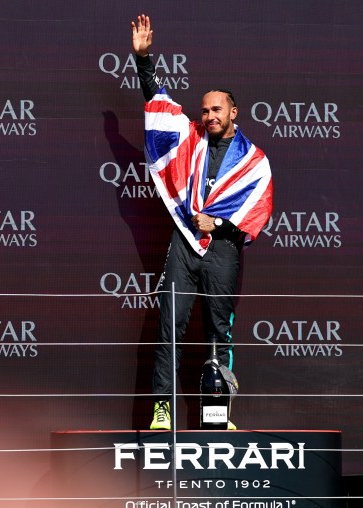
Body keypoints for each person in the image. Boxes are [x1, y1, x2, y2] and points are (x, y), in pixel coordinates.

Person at [130, 15, 274, 430]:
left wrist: (220, 226)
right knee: (169, 326)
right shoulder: (190, 136)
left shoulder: (254, 160)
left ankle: (216, 414)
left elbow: (256, 212)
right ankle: (164, 410)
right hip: (184, 243)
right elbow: (159, 105)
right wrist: (143, 61)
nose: (209, 115)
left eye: (217, 109)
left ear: (234, 112)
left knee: (218, 330)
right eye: (205, 109)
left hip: (223, 250)